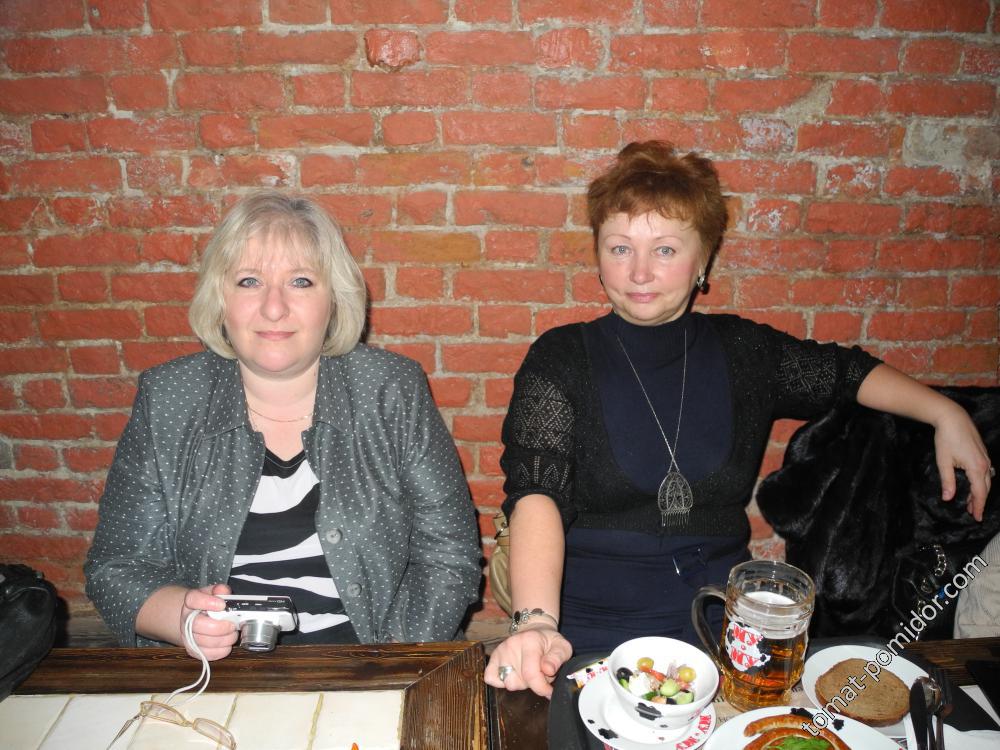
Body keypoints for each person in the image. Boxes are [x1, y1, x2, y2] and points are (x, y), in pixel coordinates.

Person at [483, 141, 993, 698]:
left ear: (703, 261)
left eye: (665, 249)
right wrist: (535, 622)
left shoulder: (744, 352)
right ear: (599, 256)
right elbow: (537, 492)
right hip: (589, 622)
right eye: (620, 247)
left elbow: (847, 372)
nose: (639, 271)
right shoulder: (561, 357)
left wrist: (945, 412)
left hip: (723, 624)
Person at [85, 190, 481, 660]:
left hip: (374, 659)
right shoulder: (169, 398)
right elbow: (115, 568)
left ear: (333, 300)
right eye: (249, 281)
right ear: (220, 298)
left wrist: (383, 665)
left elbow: (447, 553)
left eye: (300, 281)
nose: (274, 308)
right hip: (216, 671)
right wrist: (184, 619)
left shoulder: (391, 388)